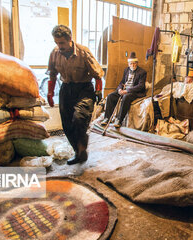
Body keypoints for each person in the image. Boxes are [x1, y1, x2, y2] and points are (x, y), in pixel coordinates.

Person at [47, 25, 104, 165]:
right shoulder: (54, 53)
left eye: (61, 43)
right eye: (56, 42)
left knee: (79, 119)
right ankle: (78, 152)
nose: (59, 46)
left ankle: (82, 149)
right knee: (67, 124)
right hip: (66, 88)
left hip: (84, 88)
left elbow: (98, 74)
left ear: (70, 39)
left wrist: (98, 90)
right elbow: (52, 74)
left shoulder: (83, 52)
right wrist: (49, 93)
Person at [100, 52, 146, 128]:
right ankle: (107, 118)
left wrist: (127, 91)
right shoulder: (126, 70)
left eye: (134, 63)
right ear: (128, 64)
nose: (133, 65)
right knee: (111, 96)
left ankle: (119, 120)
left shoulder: (142, 72)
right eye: (131, 63)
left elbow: (141, 86)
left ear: (137, 63)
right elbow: (122, 82)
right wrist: (119, 89)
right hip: (124, 90)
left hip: (134, 91)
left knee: (126, 97)